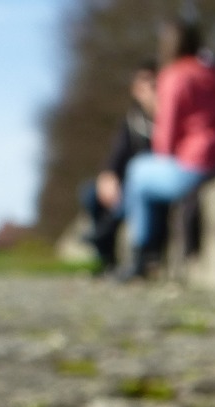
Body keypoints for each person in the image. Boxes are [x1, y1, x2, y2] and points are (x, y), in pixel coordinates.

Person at [117, 19, 215, 280]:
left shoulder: (174, 75)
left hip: (196, 167)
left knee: (138, 171)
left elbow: (166, 139)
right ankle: (149, 254)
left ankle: (141, 256)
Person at [79, 62, 158, 273]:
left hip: (147, 183)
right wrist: (108, 175)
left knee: (134, 190)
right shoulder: (132, 121)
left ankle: (106, 234)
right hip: (125, 184)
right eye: (144, 84)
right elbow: (117, 153)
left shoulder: (168, 118)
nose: (151, 89)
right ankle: (106, 259)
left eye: (154, 83)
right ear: (135, 90)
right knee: (91, 193)